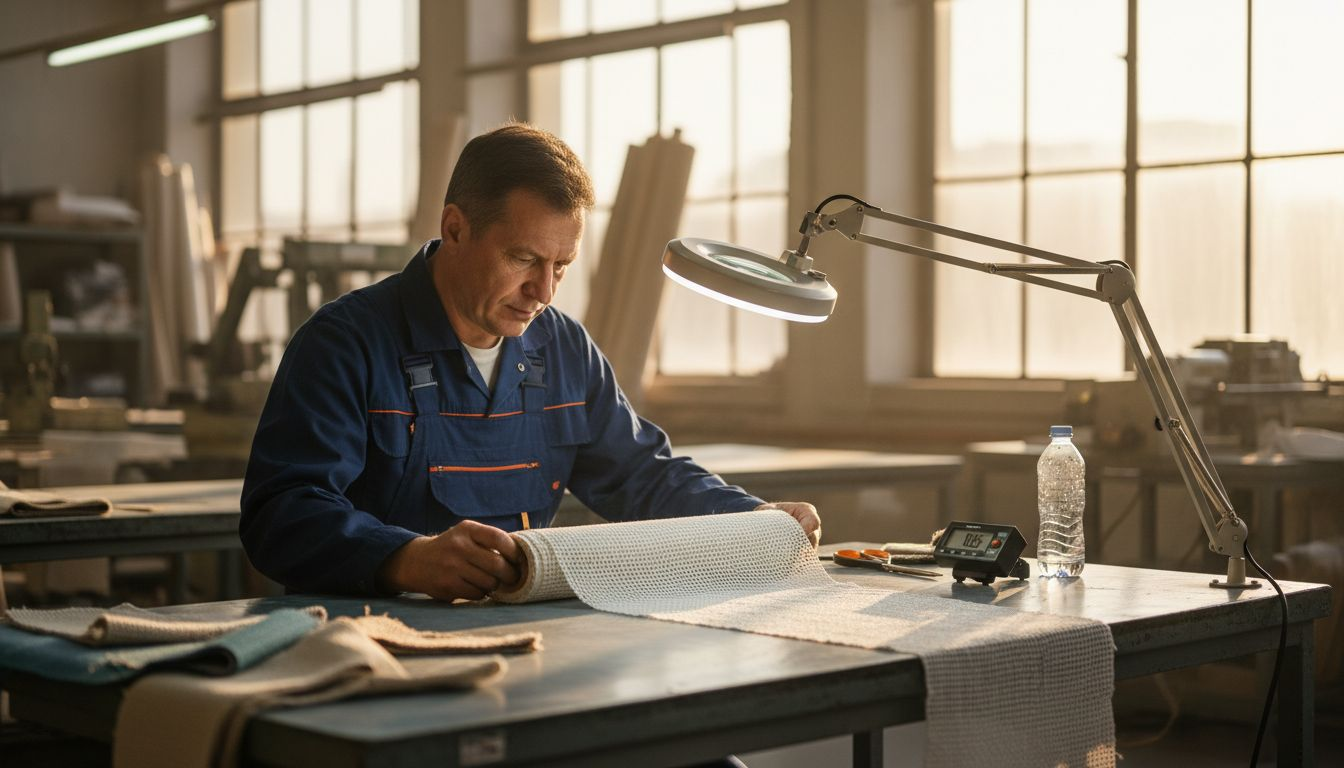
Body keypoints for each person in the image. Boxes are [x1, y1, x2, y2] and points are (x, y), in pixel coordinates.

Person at [240, 123, 820, 600]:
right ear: (454, 229)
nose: (543, 291)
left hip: (523, 640)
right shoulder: (347, 344)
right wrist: (405, 559)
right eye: (523, 258)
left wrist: (753, 519)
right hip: (370, 647)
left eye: (561, 266)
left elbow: (642, 475)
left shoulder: (562, 349)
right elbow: (282, 514)